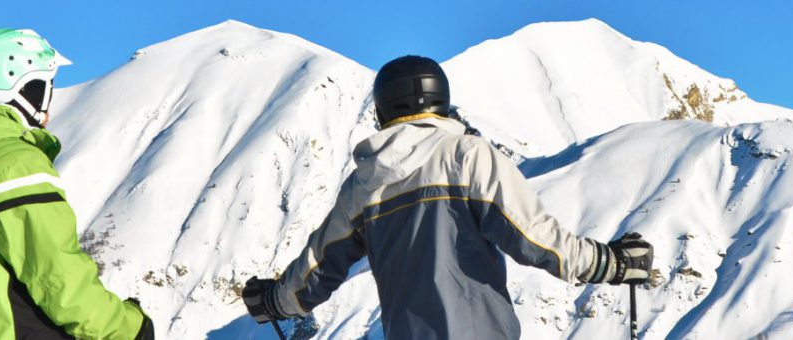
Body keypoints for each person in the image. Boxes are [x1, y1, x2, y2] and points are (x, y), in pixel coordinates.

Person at [241, 55, 655, 339]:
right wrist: (612, 263)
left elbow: (315, 269)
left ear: (383, 111)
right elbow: (536, 240)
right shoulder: (468, 156)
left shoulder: (364, 184)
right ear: (442, 103)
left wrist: (274, 301)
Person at [0, 28, 154, 340]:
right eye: (46, 84)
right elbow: (58, 276)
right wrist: (129, 328)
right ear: (22, 86)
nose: (48, 98)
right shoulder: (12, 163)